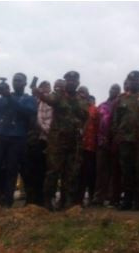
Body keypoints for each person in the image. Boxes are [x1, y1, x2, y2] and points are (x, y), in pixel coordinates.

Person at [33, 71, 89, 210]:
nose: (71, 82)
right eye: (68, 80)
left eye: (74, 80)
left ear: (78, 83)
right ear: (65, 82)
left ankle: (66, 201)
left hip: (74, 142)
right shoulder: (58, 95)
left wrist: (82, 131)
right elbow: (47, 99)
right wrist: (38, 92)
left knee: (71, 173)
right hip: (57, 141)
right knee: (53, 171)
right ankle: (48, 200)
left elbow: (85, 117)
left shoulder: (81, 99)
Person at [0, 73, 37, 208]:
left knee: (11, 170)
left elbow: (28, 112)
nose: (16, 83)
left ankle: (7, 201)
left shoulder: (29, 99)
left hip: (18, 137)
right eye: (14, 80)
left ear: (25, 83)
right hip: (0, 135)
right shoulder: (4, 97)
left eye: (19, 81)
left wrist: (8, 96)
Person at [112, 71, 139, 210]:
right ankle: (127, 200)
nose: (133, 82)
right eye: (130, 80)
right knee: (126, 170)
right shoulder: (121, 98)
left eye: (136, 80)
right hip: (125, 139)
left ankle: (138, 200)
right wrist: (116, 134)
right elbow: (115, 119)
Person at [22, 80, 52, 206]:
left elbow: (49, 123)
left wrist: (43, 130)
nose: (44, 89)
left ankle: (40, 199)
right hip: (30, 140)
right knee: (28, 170)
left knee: (42, 171)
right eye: (42, 87)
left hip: (45, 140)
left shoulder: (51, 103)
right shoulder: (33, 101)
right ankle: (30, 198)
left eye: (47, 87)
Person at [93, 84, 121, 206]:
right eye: (111, 88)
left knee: (115, 171)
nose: (112, 91)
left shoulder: (121, 105)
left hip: (116, 142)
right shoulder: (102, 106)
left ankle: (113, 197)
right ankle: (99, 197)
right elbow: (95, 124)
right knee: (100, 170)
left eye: (115, 89)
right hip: (102, 142)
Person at [77, 86, 99, 205]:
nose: (81, 94)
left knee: (87, 173)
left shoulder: (94, 110)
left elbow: (98, 127)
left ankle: (87, 199)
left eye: (84, 92)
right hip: (74, 146)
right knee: (74, 173)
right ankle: (73, 199)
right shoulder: (73, 107)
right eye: (79, 92)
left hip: (89, 147)